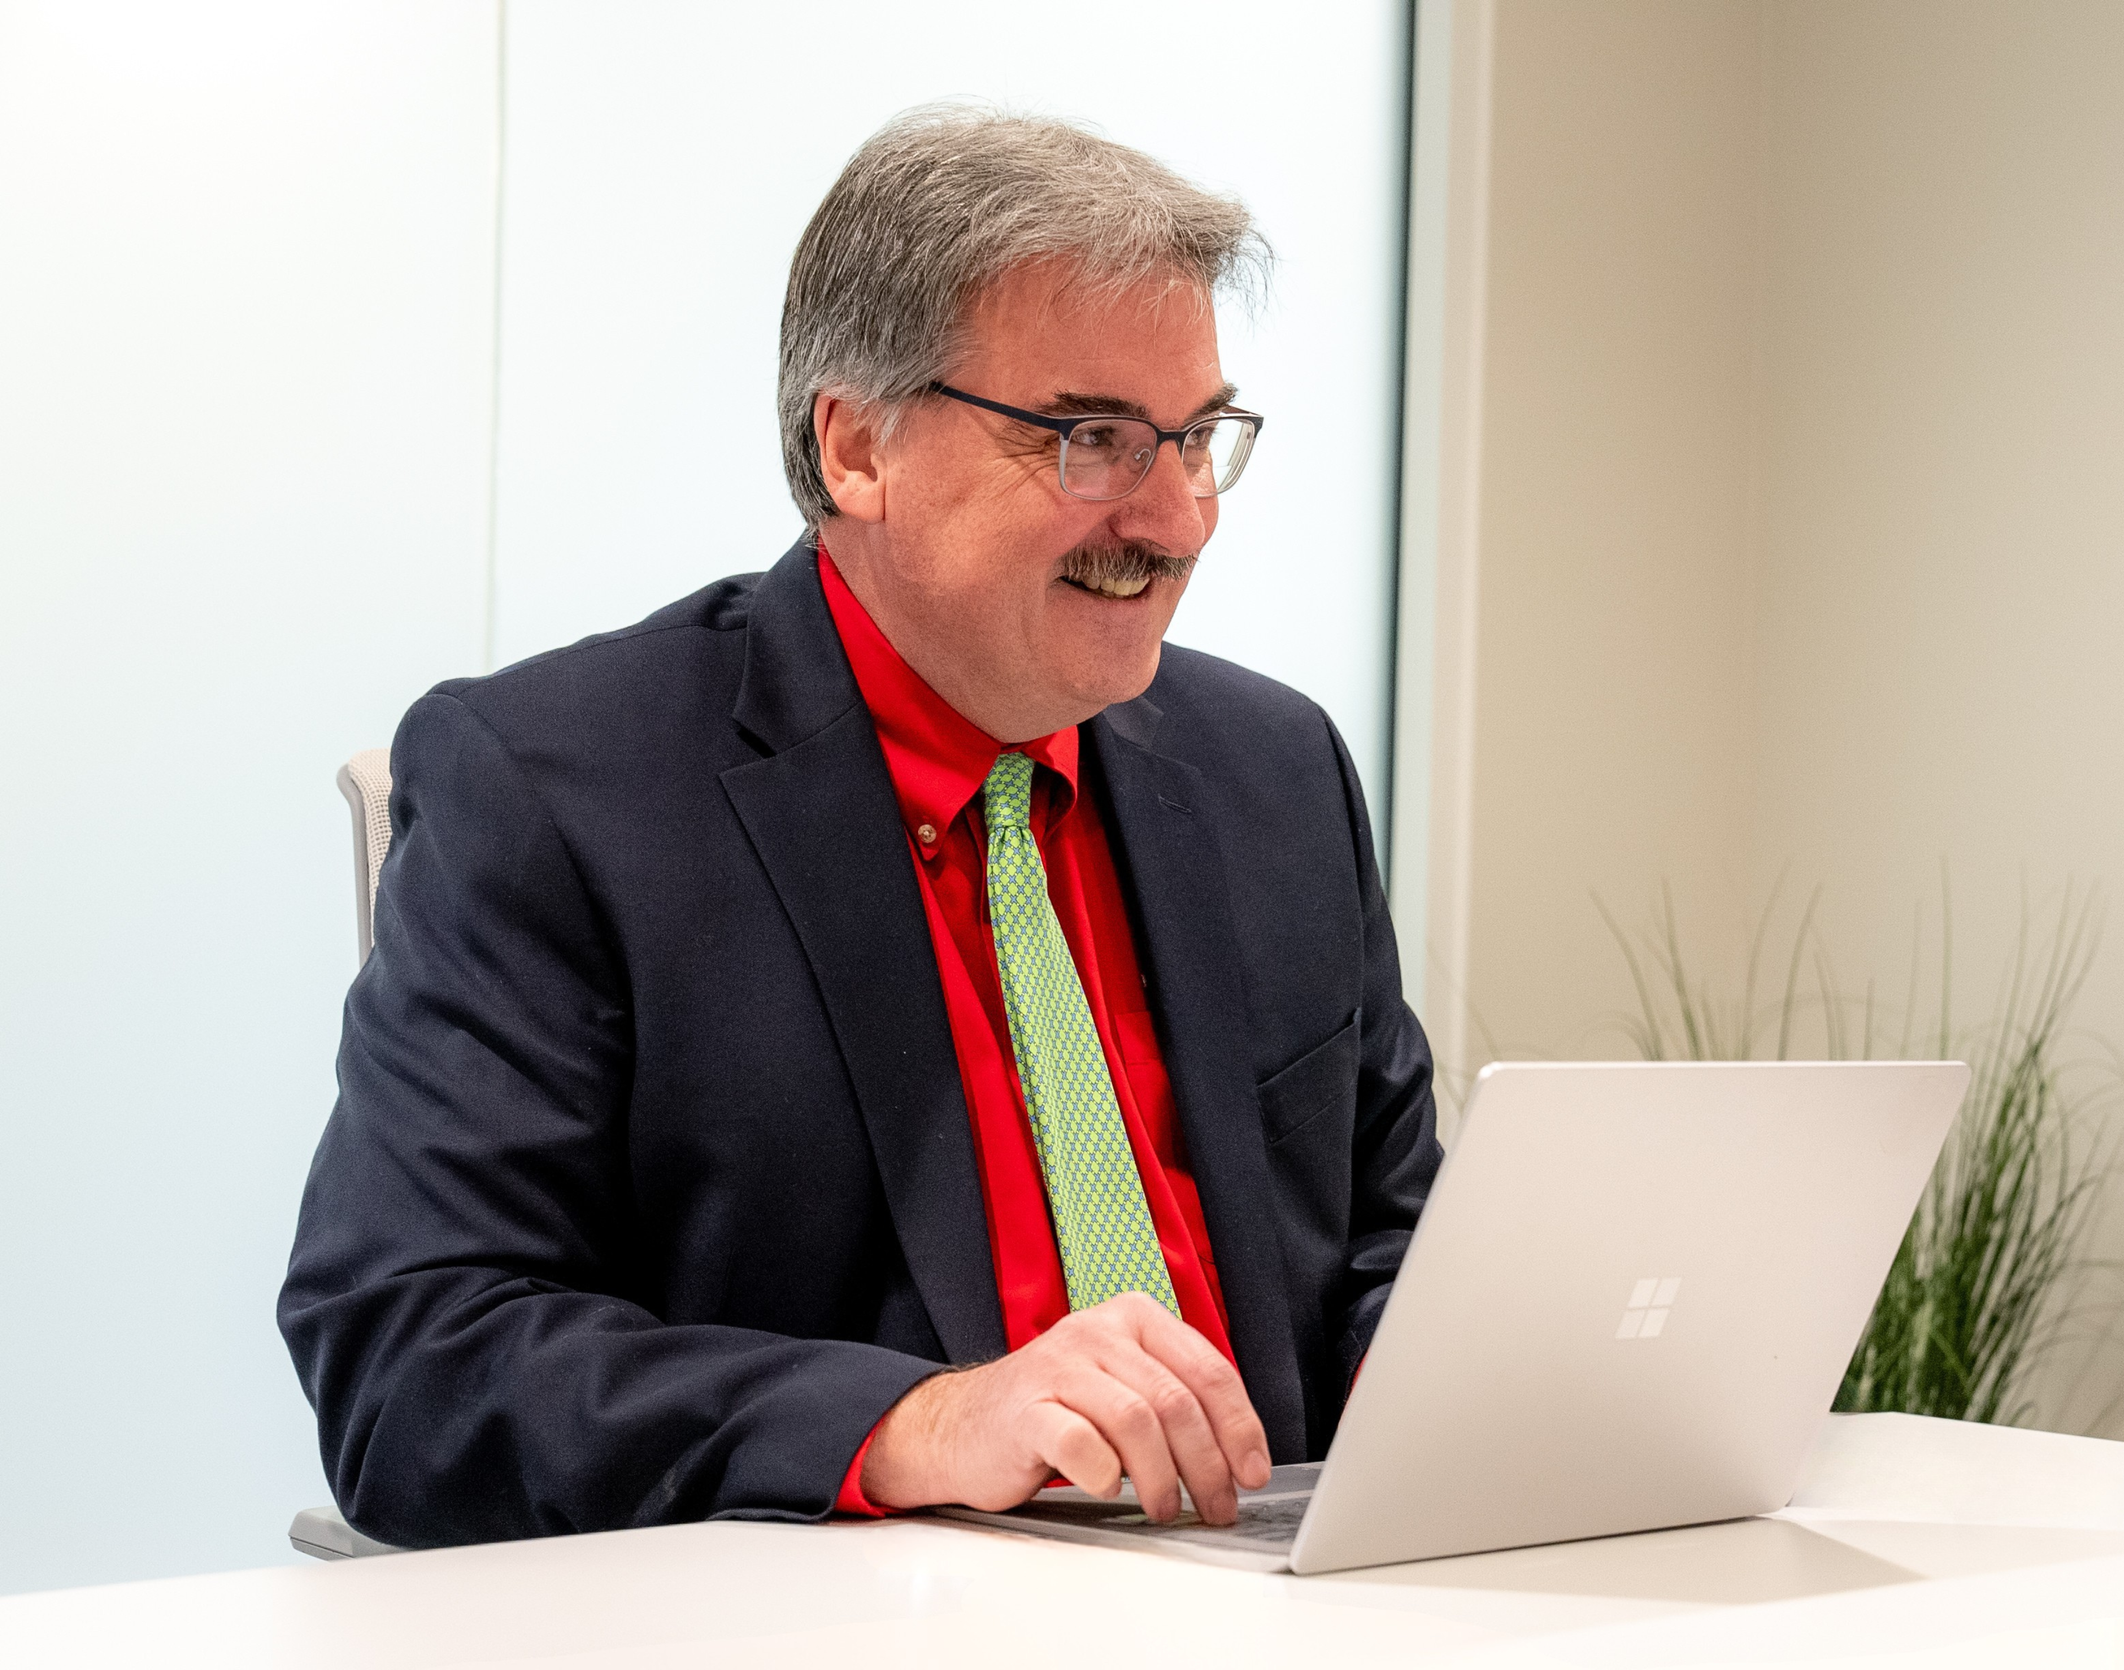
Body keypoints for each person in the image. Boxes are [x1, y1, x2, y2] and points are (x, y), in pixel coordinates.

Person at [278, 106, 1440, 1548]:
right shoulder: (556, 791)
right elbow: (413, 1355)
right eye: (1093, 439)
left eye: (1197, 437)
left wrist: (1447, 1375)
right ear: (856, 447)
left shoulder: (1276, 772)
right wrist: (912, 1423)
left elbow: (1394, 1235)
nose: (1178, 517)